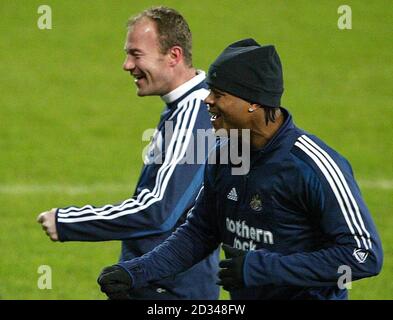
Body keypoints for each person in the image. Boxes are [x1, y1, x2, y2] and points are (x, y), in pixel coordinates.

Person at [97, 38, 383, 300]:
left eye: (218, 94)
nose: (207, 100)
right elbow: (199, 233)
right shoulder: (226, 155)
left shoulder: (312, 166)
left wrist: (262, 267)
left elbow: (364, 255)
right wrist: (136, 272)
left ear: (254, 102)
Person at [37, 6, 220, 300]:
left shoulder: (196, 114)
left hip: (172, 290)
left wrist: (69, 222)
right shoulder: (183, 108)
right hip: (159, 282)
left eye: (136, 54)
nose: (126, 65)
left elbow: (160, 211)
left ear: (174, 56)